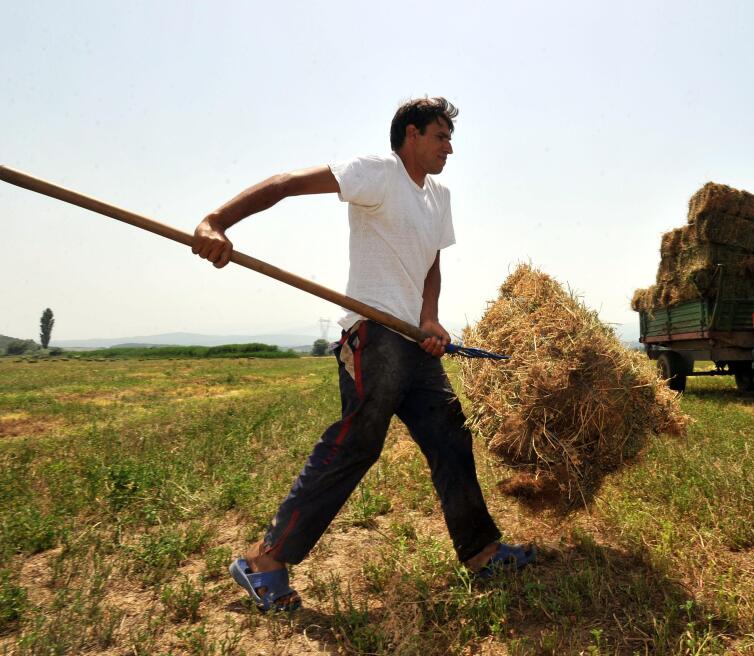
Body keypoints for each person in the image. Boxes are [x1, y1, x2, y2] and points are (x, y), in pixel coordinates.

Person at [192, 97, 533, 613]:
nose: (449, 148)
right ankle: (263, 562)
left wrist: (430, 317)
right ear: (411, 134)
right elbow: (285, 183)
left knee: (450, 435)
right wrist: (216, 221)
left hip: (415, 342)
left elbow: (431, 264)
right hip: (372, 335)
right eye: (441, 136)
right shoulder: (377, 173)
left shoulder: (439, 196)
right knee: (357, 444)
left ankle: (482, 552)